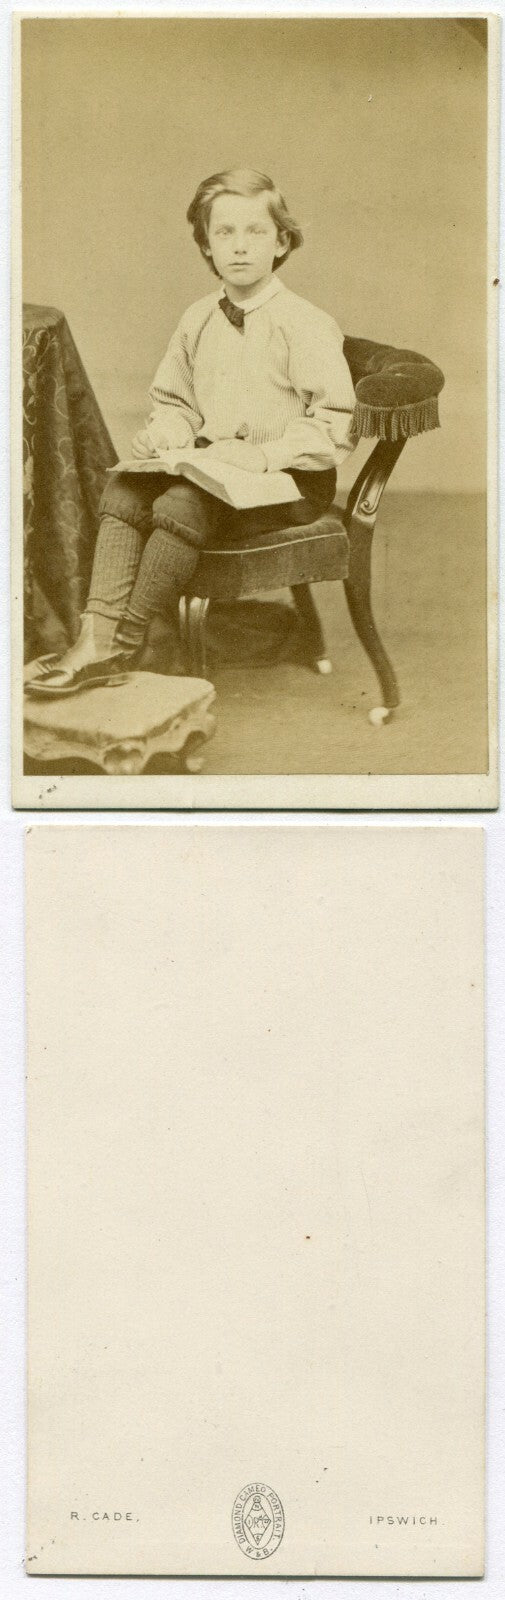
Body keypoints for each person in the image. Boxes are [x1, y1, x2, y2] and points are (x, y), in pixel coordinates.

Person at [25, 167, 357, 693]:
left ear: (283, 240)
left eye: (256, 232)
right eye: (224, 233)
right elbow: (176, 401)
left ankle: (127, 643)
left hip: (290, 483)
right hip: (215, 471)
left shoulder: (305, 323)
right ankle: (96, 636)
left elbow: (335, 426)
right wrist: (165, 433)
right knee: (127, 487)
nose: (240, 247)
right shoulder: (198, 318)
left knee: (180, 504)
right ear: (206, 245)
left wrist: (264, 457)